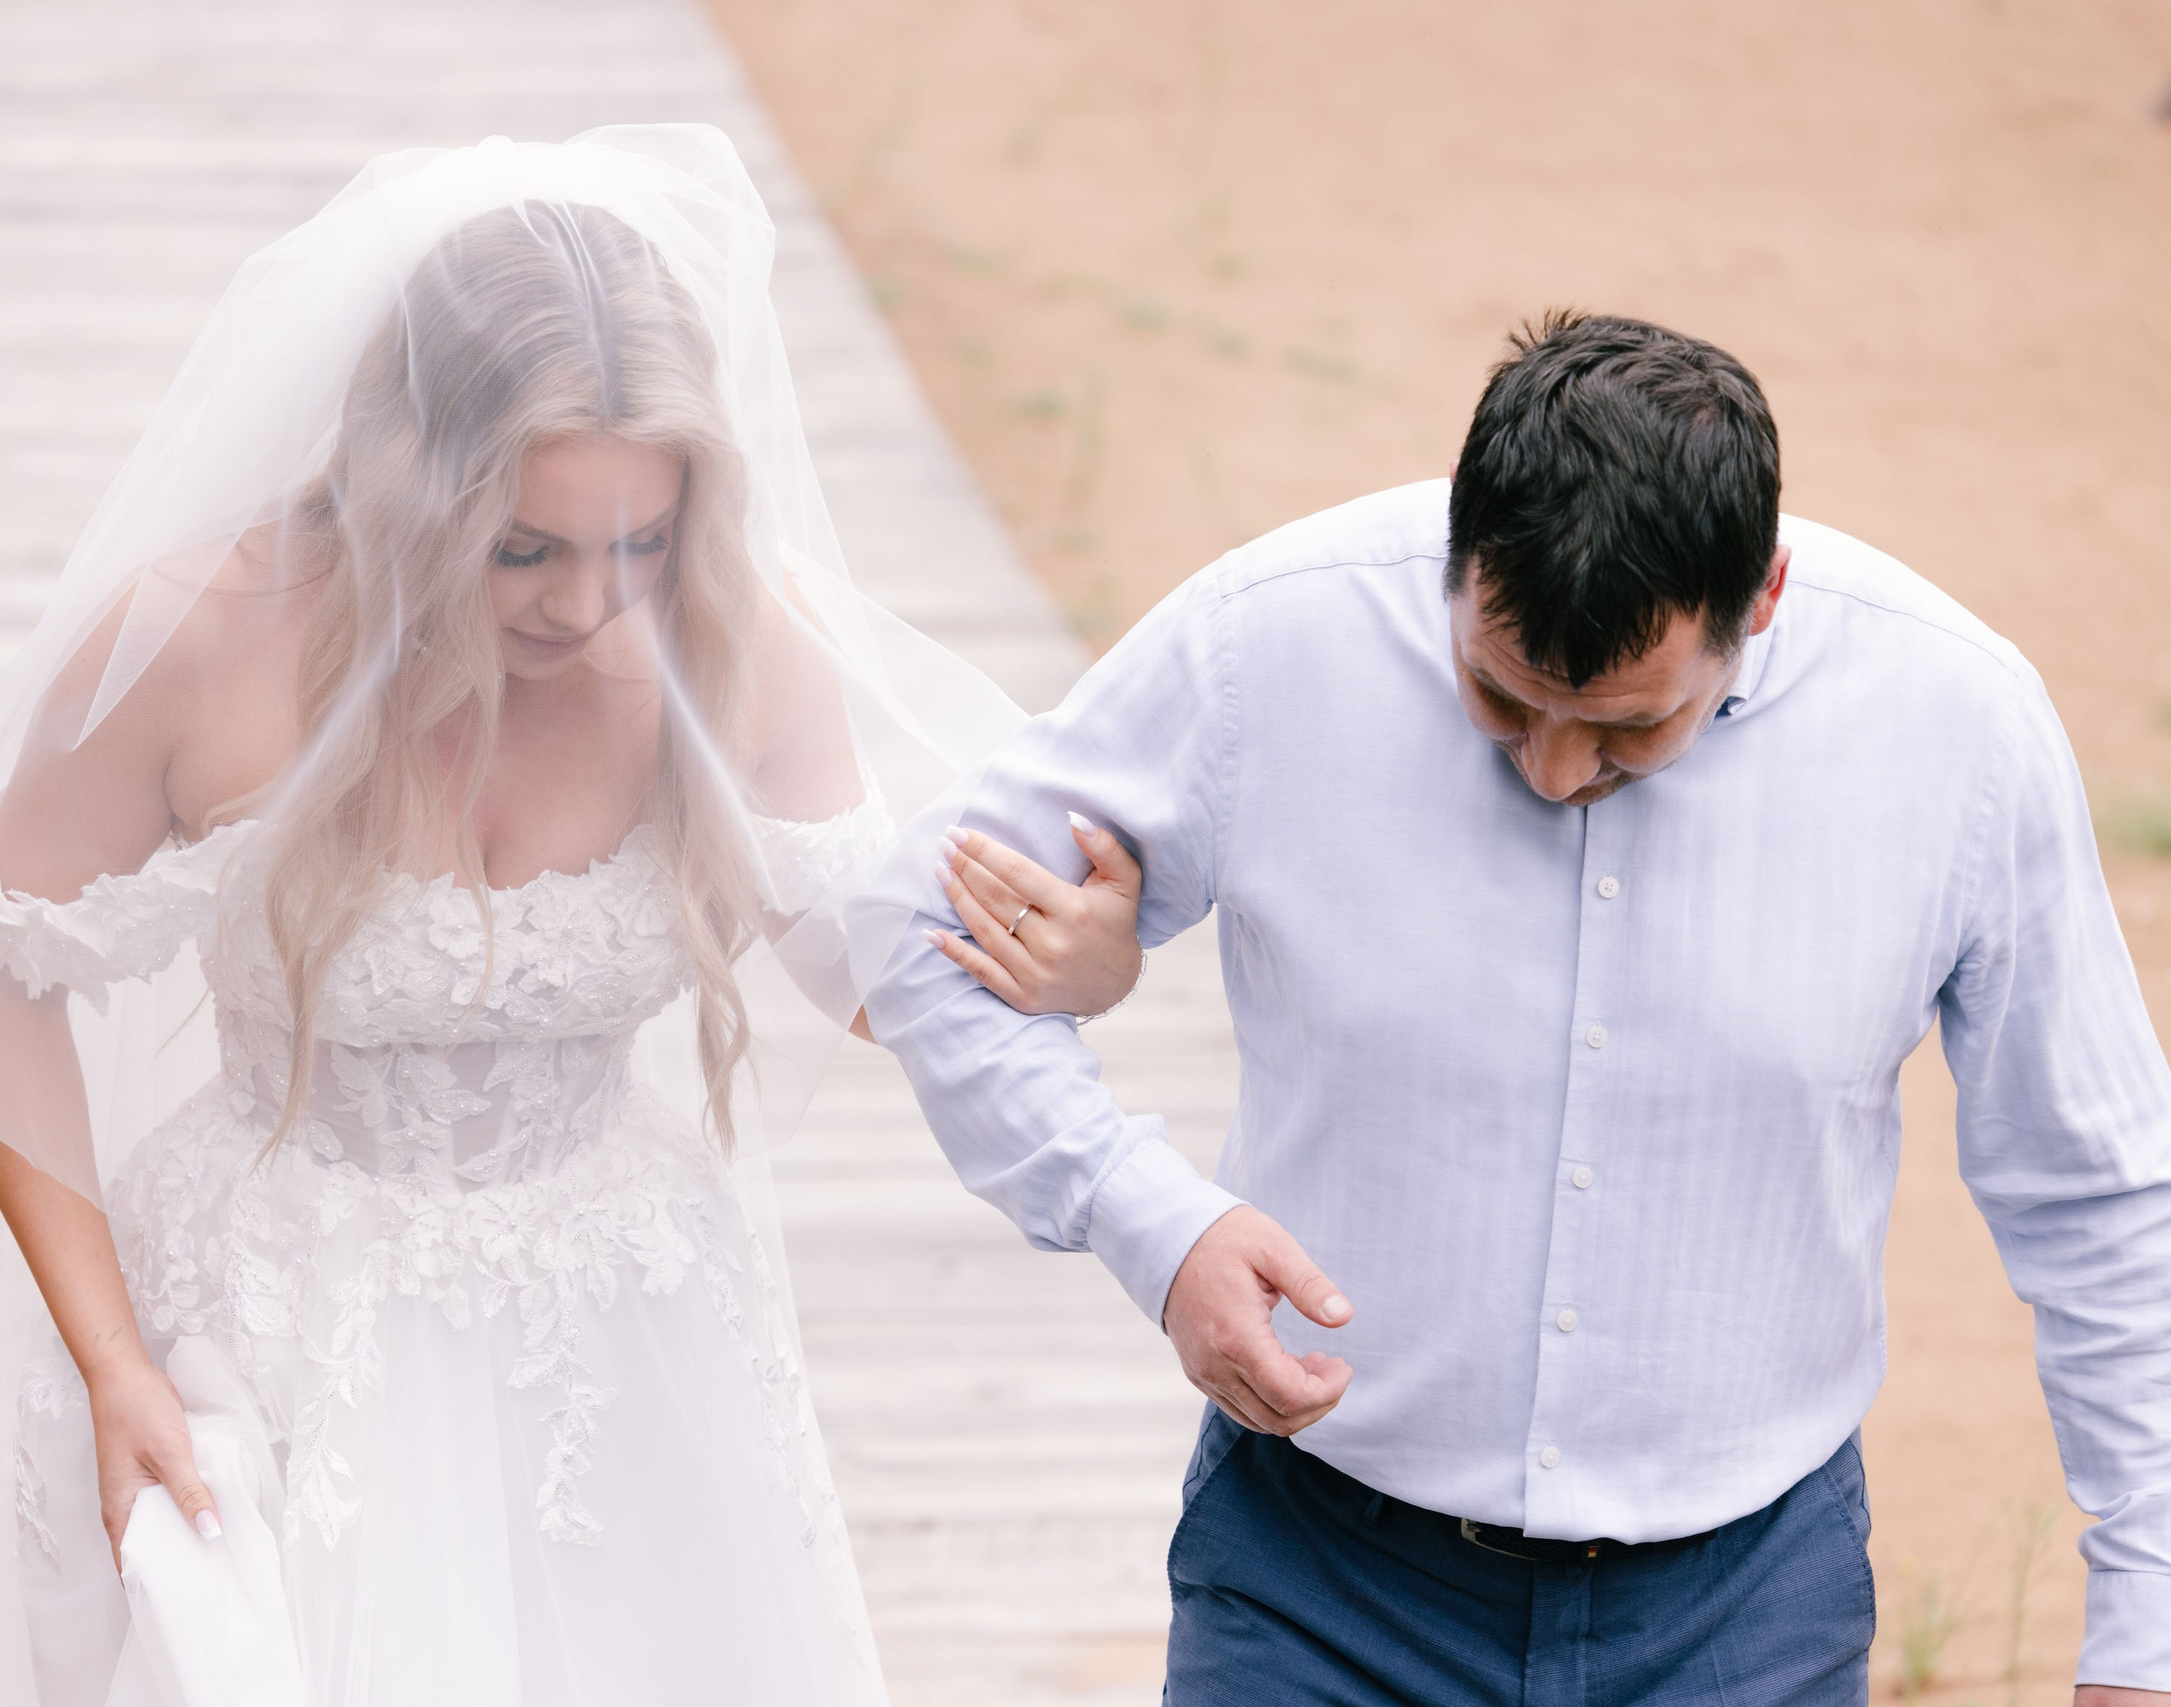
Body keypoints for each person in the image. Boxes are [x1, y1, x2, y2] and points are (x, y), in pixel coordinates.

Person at [0, 127, 1112, 1706]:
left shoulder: (721, 632)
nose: (586, 608)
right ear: (403, 486)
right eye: (521, 549)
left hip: (623, 1342)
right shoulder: (202, 643)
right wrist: (114, 1361)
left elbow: (858, 961)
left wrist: (1071, 967)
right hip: (276, 1334)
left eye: (636, 542)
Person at [866, 312, 2171, 1703]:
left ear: (1765, 595)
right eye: (1500, 694)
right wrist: (1150, 1222)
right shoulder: (1270, 642)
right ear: (1457, 557)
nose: (1553, 772)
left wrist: (2147, 1620)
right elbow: (915, 934)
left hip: (1745, 1621)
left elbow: (2097, 1191)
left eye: (1626, 727)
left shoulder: (1962, 732)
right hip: (1318, 1590)